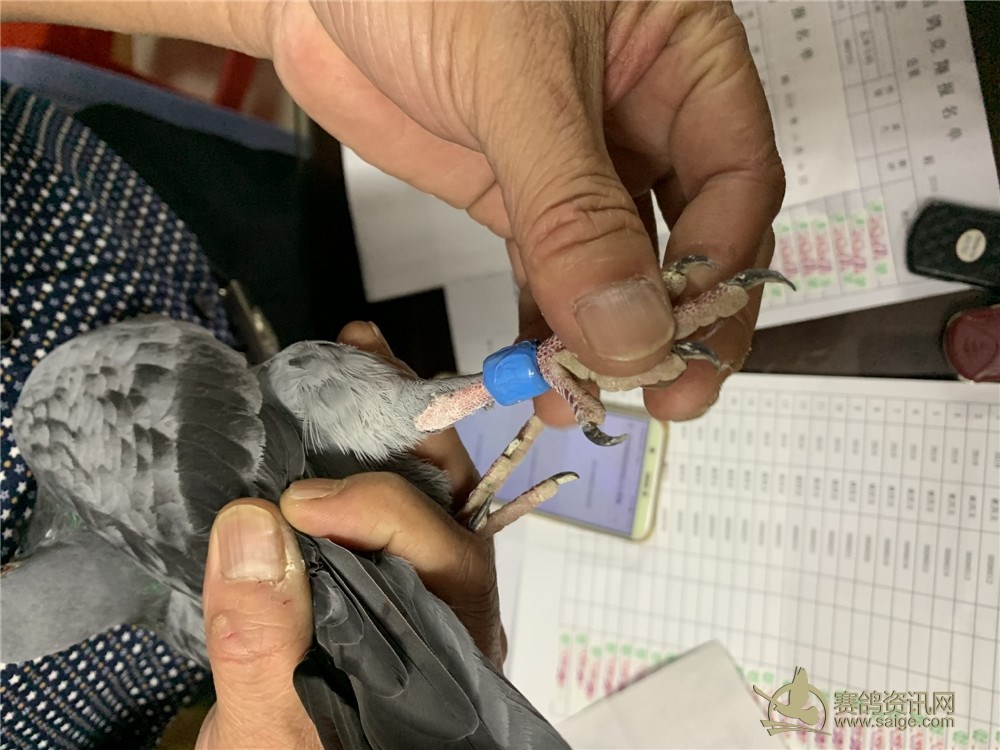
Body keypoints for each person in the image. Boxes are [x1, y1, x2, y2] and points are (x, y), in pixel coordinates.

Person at [0, 2, 784, 748]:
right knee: (359, 412)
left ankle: (528, 372)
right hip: (312, 494)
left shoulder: (60, 421)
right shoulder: (171, 621)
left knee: (316, 382)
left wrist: (287, 12)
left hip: (176, 233)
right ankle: (523, 375)